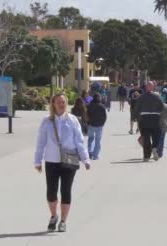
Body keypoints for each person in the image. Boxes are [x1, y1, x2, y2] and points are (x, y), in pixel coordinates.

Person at [34, 93, 91, 232]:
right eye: (59, 102)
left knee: (66, 191)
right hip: (51, 160)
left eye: (64, 102)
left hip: (69, 160)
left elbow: (79, 140)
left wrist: (85, 159)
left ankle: (63, 221)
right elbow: (40, 142)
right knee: (51, 192)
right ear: (53, 104)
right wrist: (37, 161)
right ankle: (54, 216)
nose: (62, 104)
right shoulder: (47, 121)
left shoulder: (73, 120)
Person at [134, 81, 164, 161]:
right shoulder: (157, 96)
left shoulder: (141, 97)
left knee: (146, 137)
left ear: (146, 87)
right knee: (157, 135)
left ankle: (146, 156)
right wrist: (158, 112)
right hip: (155, 117)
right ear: (153, 87)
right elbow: (162, 106)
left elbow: (136, 108)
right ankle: (154, 147)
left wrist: (136, 117)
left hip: (144, 118)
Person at [86, 93, 107, 160]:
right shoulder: (102, 106)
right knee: (98, 141)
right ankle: (95, 156)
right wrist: (103, 123)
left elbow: (87, 115)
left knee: (91, 138)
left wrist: (88, 122)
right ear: (99, 98)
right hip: (99, 126)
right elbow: (105, 116)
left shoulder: (89, 105)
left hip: (91, 125)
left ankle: (90, 152)